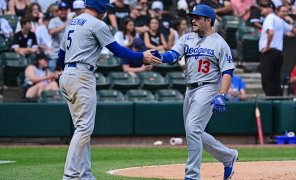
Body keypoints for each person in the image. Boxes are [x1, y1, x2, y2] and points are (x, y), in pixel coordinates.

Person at [57, 0, 161, 179]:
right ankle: (71, 175)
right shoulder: (97, 24)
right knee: (84, 129)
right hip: (82, 75)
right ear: (99, 7)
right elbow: (117, 50)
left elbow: (60, 55)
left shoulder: (73, 21)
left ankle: (85, 175)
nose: (106, 11)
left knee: (82, 129)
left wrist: (65, 72)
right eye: (105, 8)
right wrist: (141, 56)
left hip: (68, 73)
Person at [152, 4, 237, 180]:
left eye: (197, 17)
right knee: (193, 130)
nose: (193, 20)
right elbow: (173, 55)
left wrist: (222, 95)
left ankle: (192, 175)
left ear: (208, 20)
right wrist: (160, 56)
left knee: (193, 128)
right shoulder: (187, 37)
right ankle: (228, 156)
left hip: (208, 87)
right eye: (192, 17)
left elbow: (227, 72)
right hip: (190, 88)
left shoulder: (220, 43)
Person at [259, 3, 296, 96]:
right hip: (278, 53)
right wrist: (291, 23)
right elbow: (293, 32)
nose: (261, 9)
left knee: (267, 79)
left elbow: (270, 32)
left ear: (270, 9)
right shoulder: (281, 21)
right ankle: (277, 99)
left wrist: (267, 46)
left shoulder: (270, 17)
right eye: (283, 11)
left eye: (264, 7)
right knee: (276, 79)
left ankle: (270, 101)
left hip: (269, 52)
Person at [48, 2, 70, 71]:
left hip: (67, 54)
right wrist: (64, 26)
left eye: (65, 9)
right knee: (52, 70)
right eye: (61, 9)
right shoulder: (53, 20)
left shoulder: (71, 20)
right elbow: (51, 32)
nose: (63, 11)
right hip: (55, 53)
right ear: (58, 11)